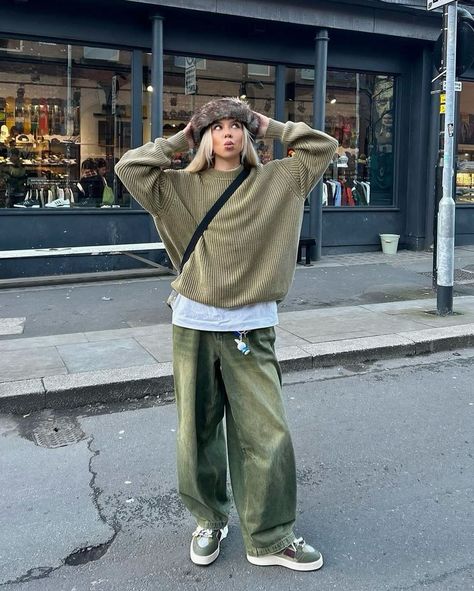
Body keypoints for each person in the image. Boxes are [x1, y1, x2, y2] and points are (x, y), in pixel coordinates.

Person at [115, 97, 338, 571]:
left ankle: (271, 535)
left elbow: (323, 147)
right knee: (196, 431)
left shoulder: (279, 179)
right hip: (193, 323)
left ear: (249, 134)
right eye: (217, 127)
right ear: (207, 137)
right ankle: (209, 519)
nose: (229, 134)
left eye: (238, 125)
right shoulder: (180, 186)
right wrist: (183, 135)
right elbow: (130, 168)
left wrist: (269, 123)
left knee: (267, 433)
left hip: (251, 327)